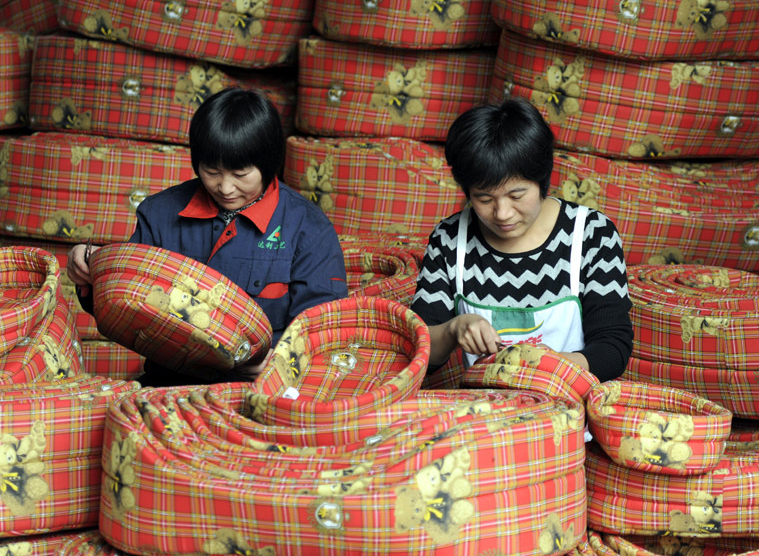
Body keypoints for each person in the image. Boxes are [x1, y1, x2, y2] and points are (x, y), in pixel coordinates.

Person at [67, 87, 348, 386]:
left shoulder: (308, 227)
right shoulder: (159, 213)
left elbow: (322, 327)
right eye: (212, 171)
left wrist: (281, 360)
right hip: (170, 382)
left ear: (269, 163)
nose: (225, 187)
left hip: (260, 388)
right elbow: (124, 304)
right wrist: (89, 273)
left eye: (240, 175)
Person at [411, 98, 633, 380]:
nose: (502, 214)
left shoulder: (591, 234)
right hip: (484, 412)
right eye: (484, 198)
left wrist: (536, 369)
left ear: (542, 179)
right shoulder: (451, 239)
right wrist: (455, 328)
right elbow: (421, 352)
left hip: (571, 410)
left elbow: (613, 349)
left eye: (517, 196)